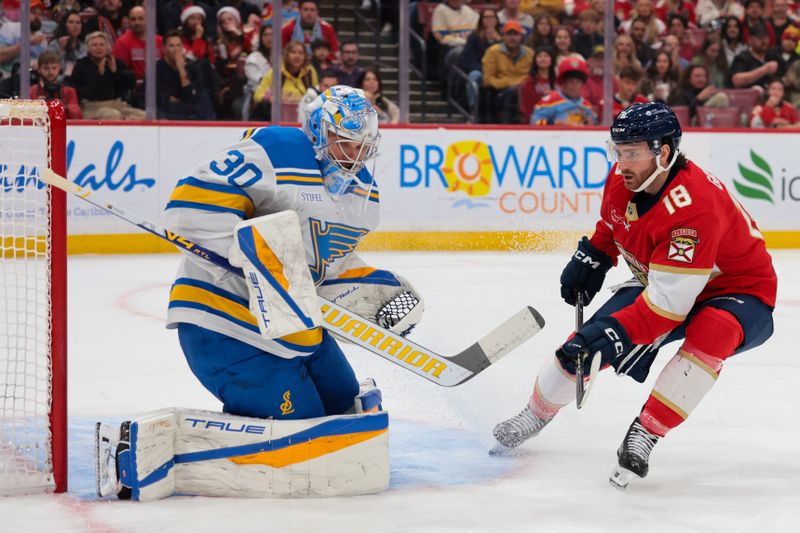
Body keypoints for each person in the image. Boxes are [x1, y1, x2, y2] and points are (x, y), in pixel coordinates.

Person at [493, 102, 776, 490]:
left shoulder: (694, 208)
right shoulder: (623, 178)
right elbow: (614, 224)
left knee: (712, 330)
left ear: (663, 152)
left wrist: (616, 332)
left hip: (737, 290)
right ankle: (534, 414)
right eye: (619, 151)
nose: (622, 163)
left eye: (633, 153)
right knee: (582, 345)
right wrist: (596, 255)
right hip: (667, 280)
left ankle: (647, 431)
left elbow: (668, 307)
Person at [162, 83, 421, 424]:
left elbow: (324, 269)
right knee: (305, 426)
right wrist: (254, 258)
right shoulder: (279, 150)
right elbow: (188, 210)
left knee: (348, 411)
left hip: (295, 329)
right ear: (318, 131)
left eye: (362, 147)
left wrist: (367, 291)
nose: (353, 156)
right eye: (344, 142)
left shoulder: (362, 195)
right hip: (225, 322)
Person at [71, 31, 145, 120]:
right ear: (88, 49)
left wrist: (115, 72)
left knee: (146, 115)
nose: (98, 48)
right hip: (92, 106)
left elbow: (130, 83)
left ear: (107, 47)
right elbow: (79, 90)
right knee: (113, 115)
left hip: (117, 104)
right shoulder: (82, 65)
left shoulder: (116, 62)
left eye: (102, 45)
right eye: (94, 45)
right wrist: (100, 75)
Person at [482, 19, 533, 123]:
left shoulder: (530, 53)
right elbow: (487, 80)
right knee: (511, 92)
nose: (512, 38)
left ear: (521, 37)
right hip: (499, 91)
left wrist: (519, 84)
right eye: (509, 34)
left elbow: (533, 75)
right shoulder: (492, 51)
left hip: (523, 89)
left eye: (516, 34)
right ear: (503, 36)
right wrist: (507, 83)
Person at [156, 30, 215, 120]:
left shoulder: (191, 66)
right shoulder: (157, 68)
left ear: (182, 47)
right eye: (171, 46)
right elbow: (152, 94)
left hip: (188, 106)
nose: (176, 49)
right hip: (167, 108)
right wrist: (167, 98)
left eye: (178, 45)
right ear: (164, 49)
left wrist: (182, 70)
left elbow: (192, 96)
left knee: (203, 98)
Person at [531, 56, 597, 125]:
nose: (574, 85)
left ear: (582, 84)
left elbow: (595, 124)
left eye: (577, 82)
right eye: (570, 81)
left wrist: (589, 124)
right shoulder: (548, 102)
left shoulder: (587, 106)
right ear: (562, 83)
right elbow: (534, 122)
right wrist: (553, 124)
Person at [29, 51, 82, 119]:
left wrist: (64, 107)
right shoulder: (31, 91)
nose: (51, 72)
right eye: (46, 68)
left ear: (59, 68)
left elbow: (77, 116)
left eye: (54, 68)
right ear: (39, 69)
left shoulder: (69, 91)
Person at [47, 9, 86, 80]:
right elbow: (53, 69)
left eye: (78, 23)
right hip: (59, 80)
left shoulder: (84, 46)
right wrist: (62, 50)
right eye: (71, 22)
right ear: (64, 25)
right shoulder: (54, 44)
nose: (75, 26)